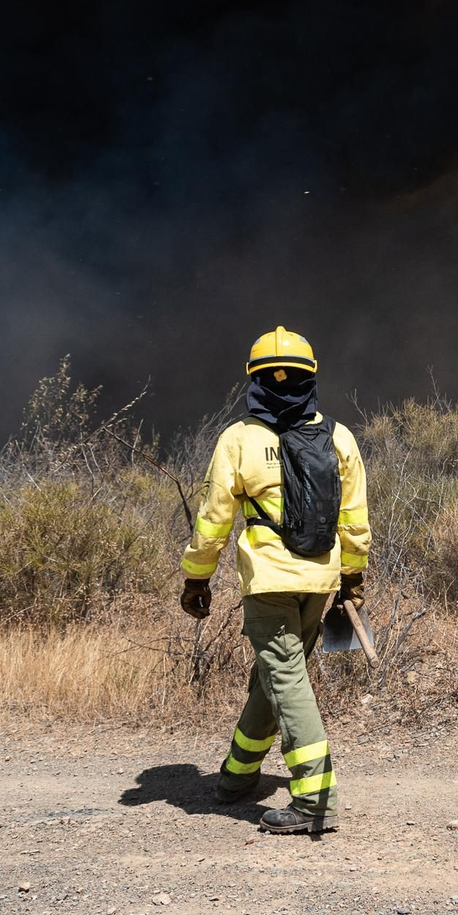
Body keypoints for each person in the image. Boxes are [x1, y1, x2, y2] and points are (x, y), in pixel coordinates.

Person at [177, 326, 371, 835]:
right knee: (274, 675)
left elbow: (213, 520)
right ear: (311, 380)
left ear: (255, 381)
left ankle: (315, 798)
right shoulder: (339, 437)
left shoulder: (238, 439)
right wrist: (352, 580)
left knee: (286, 678)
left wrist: (197, 579)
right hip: (320, 580)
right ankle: (238, 777)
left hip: (268, 580)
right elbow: (355, 523)